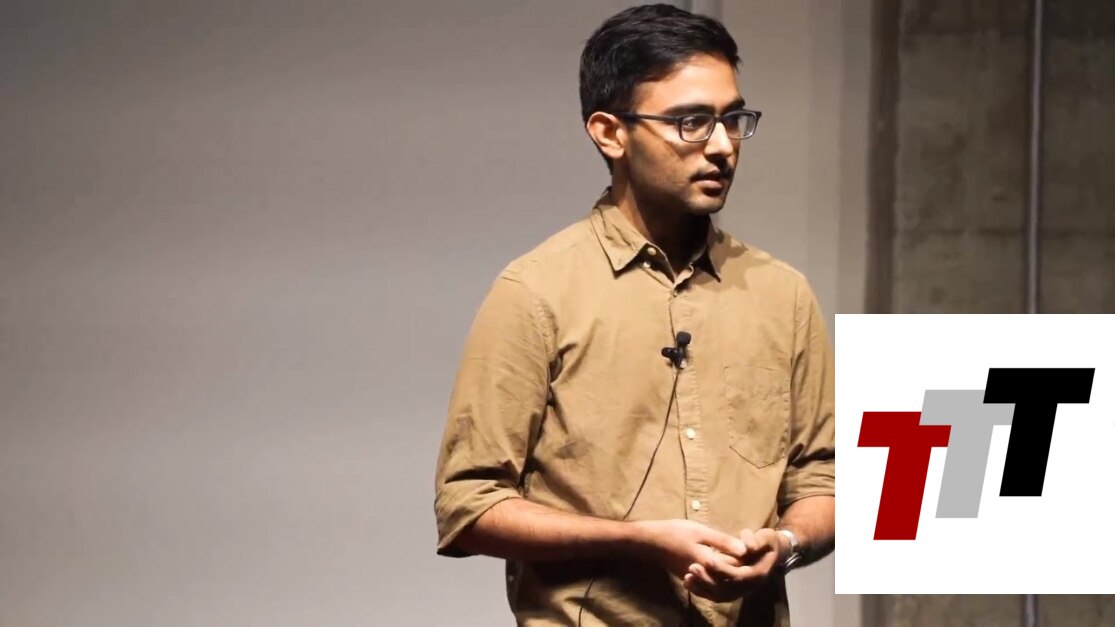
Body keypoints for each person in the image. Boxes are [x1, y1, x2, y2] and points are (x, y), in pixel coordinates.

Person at [433, 4, 834, 625]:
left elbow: (822, 481)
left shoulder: (782, 294)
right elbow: (469, 505)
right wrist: (637, 540)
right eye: (691, 122)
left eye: (733, 119)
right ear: (609, 133)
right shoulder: (536, 292)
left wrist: (783, 545)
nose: (722, 146)